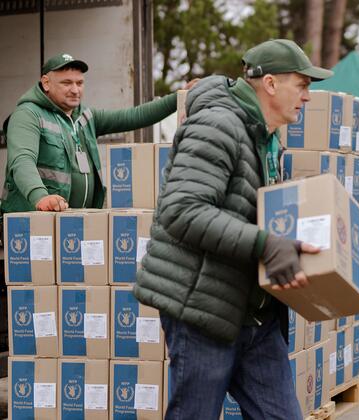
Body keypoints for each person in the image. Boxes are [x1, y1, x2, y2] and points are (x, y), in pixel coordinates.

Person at [133, 39, 332, 419]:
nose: (307, 97)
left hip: (255, 316)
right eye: (302, 85)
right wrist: (266, 244)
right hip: (203, 310)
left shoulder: (268, 139)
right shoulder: (217, 125)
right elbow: (181, 211)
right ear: (270, 83)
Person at [1, 53, 193, 213]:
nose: (75, 90)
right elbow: (22, 160)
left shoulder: (85, 116)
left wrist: (180, 97)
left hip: (73, 221)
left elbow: (134, 116)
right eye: (67, 83)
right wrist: (40, 197)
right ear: (46, 83)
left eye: (80, 83)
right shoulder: (28, 115)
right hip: (34, 220)